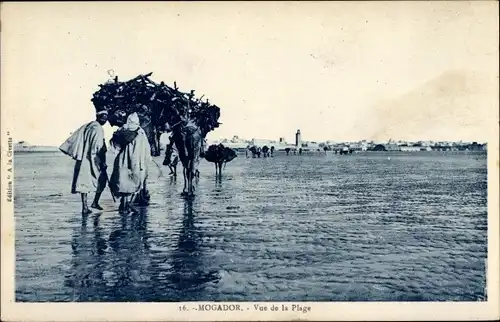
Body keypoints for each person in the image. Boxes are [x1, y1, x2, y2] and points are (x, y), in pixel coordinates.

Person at [59, 110, 109, 214]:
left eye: (106, 117)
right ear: (98, 117)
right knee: (102, 180)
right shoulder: (98, 128)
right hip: (94, 158)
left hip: (83, 159)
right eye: (103, 117)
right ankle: (94, 202)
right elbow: (98, 147)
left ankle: (85, 206)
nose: (105, 119)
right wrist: (101, 162)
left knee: (83, 182)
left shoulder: (88, 126)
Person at [109, 112, 151, 214]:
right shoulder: (140, 132)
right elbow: (145, 149)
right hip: (136, 160)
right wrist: (146, 161)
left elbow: (114, 146)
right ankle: (128, 204)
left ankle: (123, 205)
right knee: (134, 182)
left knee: (123, 182)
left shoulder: (122, 130)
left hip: (122, 160)